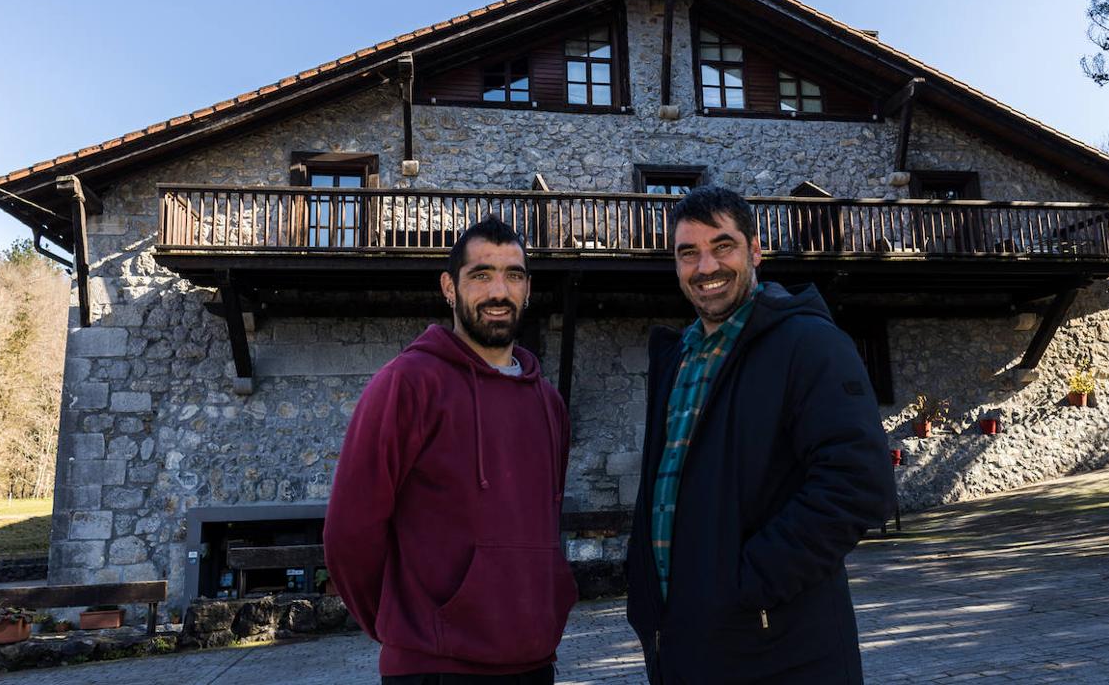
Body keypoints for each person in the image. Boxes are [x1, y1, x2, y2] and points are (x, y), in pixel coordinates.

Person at [626, 186, 896, 684]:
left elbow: (858, 484)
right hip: (684, 645)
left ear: (755, 250)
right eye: (689, 253)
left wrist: (745, 585)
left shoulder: (811, 344)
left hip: (778, 646)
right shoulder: (677, 357)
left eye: (722, 246)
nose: (706, 267)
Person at [324, 216, 576, 685]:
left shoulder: (549, 402)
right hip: (433, 667)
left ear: (527, 288)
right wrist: (408, 623)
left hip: (535, 662)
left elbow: (544, 519)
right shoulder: (407, 383)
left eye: (513, 275)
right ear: (448, 286)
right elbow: (349, 532)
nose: (499, 291)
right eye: (481, 275)